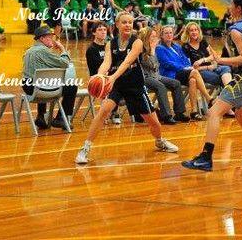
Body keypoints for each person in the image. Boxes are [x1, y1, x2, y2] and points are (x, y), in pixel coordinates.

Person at [181, 0, 242, 172]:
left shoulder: (237, 30)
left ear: (238, 8)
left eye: (231, 4)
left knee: (213, 112)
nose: (229, 7)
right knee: (241, 115)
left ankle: (206, 157)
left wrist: (219, 60)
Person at [75, 12, 179, 164]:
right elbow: (106, 63)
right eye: (124, 22)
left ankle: (159, 141)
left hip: (135, 86)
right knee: (103, 111)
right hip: (117, 86)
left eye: (130, 22)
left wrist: (112, 77)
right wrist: (99, 75)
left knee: (154, 123)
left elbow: (126, 63)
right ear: (117, 25)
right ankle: (85, 148)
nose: (128, 25)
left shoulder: (136, 42)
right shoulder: (111, 43)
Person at [22, 25, 75, 130]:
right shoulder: (43, 51)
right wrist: (63, 49)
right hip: (38, 88)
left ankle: (41, 116)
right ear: (41, 39)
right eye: (50, 37)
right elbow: (64, 63)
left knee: (44, 80)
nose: (52, 40)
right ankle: (60, 118)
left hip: (28, 86)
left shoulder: (29, 51)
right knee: (72, 87)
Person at [156, 25, 213, 117]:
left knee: (193, 80)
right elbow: (167, 63)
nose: (169, 35)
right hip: (170, 74)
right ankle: (209, 98)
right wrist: (184, 68)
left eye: (170, 32)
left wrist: (187, 67)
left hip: (182, 72)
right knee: (194, 72)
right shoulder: (159, 48)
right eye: (166, 33)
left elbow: (185, 60)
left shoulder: (177, 47)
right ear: (162, 36)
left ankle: (194, 111)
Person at [139, 27, 189, 124]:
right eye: (152, 36)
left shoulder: (153, 47)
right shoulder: (141, 49)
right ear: (146, 37)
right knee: (160, 86)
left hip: (156, 75)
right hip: (145, 77)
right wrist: (153, 51)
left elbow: (156, 66)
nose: (155, 38)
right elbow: (152, 65)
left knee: (176, 83)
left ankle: (179, 113)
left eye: (155, 36)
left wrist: (153, 51)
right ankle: (166, 116)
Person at [85, 21, 121, 125]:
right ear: (94, 33)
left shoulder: (109, 46)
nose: (103, 32)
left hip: (110, 76)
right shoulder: (91, 49)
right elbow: (97, 67)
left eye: (105, 30)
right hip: (97, 78)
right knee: (112, 84)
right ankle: (112, 113)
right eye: (100, 30)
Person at [181, 22, 232, 87]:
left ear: (199, 31)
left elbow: (213, 55)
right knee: (218, 77)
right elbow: (189, 68)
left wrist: (203, 60)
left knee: (226, 68)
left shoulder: (202, 41)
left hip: (211, 67)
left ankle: (227, 92)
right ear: (187, 33)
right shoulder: (185, 47)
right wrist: (207, 67)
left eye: (196, 30)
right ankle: (228, 93)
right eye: (191, 30)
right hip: (199, 71)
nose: (194, 32)